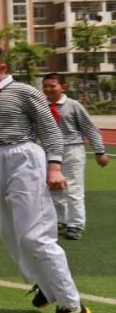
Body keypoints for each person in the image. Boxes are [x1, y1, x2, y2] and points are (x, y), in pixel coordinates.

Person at [0, 42, 89, 313]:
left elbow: (49, 129)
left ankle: (71, 306)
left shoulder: (25, 92)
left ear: (1, 68)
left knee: (35, 235)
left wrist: (54, 167)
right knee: (9, 232)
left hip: (24, 157)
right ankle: (43, 283)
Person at [41, 73, 108, 240]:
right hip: (49, 152)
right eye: (45, 86)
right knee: (53, 188)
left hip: (71, 150)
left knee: (73, 189)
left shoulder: (73, 105)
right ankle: (59, 219)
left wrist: (100, 151)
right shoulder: (41, 106)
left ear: (63, 87)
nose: (48, 89)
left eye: (52, 86)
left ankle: (76, 224)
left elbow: (90, 128)